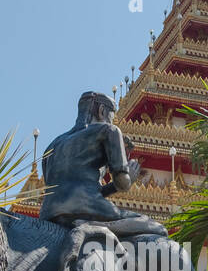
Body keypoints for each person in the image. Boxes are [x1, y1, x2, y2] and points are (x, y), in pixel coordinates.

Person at [39, 91, 165, 235]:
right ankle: (95, 226)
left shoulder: (52, 145)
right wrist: (129, 175)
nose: (112, 121)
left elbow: (73, 187)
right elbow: (122, 184)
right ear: (102, 111)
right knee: (157, 227)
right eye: (112, 116)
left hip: (49, 213)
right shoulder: (109, 130)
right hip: (85, 209)